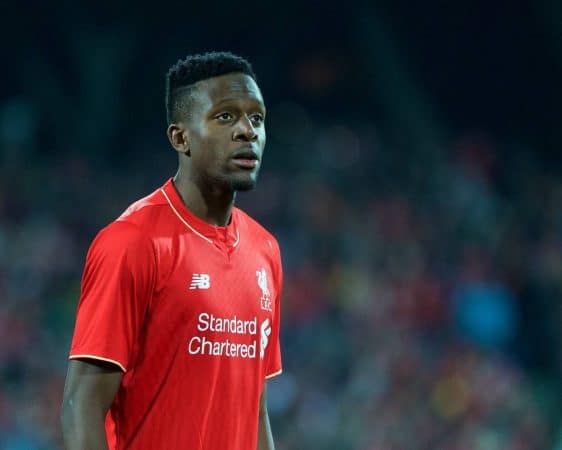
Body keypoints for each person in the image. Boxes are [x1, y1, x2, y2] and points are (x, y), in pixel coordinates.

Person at [61, 51, 283, 450]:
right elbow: (81, 406)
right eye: (226, 116)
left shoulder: (265, 250)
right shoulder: (132, 242)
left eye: (257, 118)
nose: (248, 131)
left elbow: (256, 409)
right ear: (180, 137)